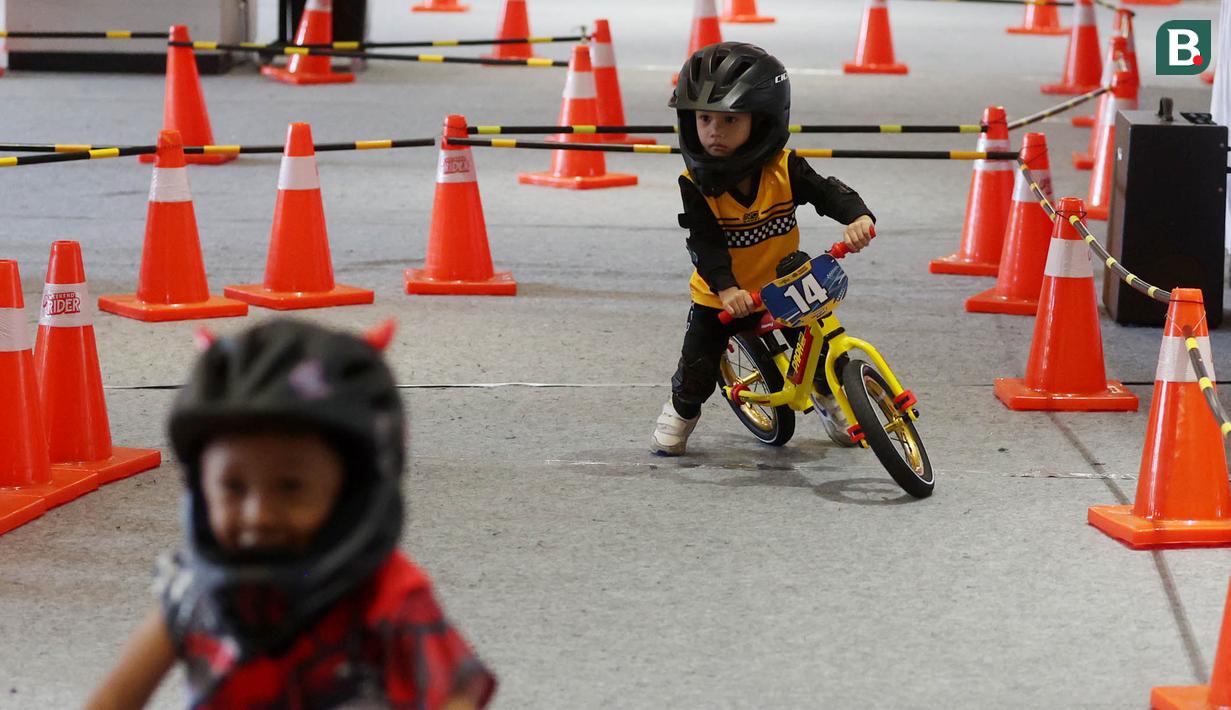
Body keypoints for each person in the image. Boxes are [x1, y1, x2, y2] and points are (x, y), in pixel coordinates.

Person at [86, 319, 495, 710]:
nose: (258, 515)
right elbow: (114, 700)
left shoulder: (389, 598)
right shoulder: (192, 593)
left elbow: (452, 700)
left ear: (351, 492)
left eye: (291, 487)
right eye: (233, 487)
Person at [652, 42, 877, 456]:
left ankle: (828, 398)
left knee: (819, 345)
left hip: (784, 284)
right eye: (704, 119)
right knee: (698, 367)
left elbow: (826, 192)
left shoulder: (784, 168)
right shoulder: (694, 184)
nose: (714, 132)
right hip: (723, 296)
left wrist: (857, 217)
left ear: (762, 123)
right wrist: (726, 290)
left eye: (730, 120)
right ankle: (682, 411)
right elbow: (705, 243)